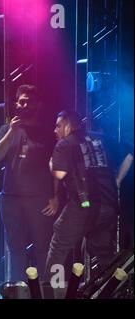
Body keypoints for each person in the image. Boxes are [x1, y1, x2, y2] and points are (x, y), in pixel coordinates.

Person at [0, 85, 59, 282]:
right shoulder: (7, 129)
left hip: (39, 200)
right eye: (21, 101)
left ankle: (44, 292)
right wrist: (11, 131)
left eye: (29, 101)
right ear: (16, 103)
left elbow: (56, 167)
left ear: (37, 105)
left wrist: (56, 196)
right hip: (11, 199)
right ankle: (16, 289)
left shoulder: (47, 133)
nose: (25, 105)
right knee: (15, 247)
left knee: (42, 247)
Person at [44, 110, 119, 279]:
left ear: (69, 126)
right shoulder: (100, 138)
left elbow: (59, 174)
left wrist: (51, 164)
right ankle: (115, 290)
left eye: (58, 126)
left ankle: (51, 291)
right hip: (109, 204)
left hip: (83, 205)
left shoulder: (64, 144)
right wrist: (117, 182)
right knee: (104, 252)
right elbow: (127, 156)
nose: (55, 130)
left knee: (59, 244)